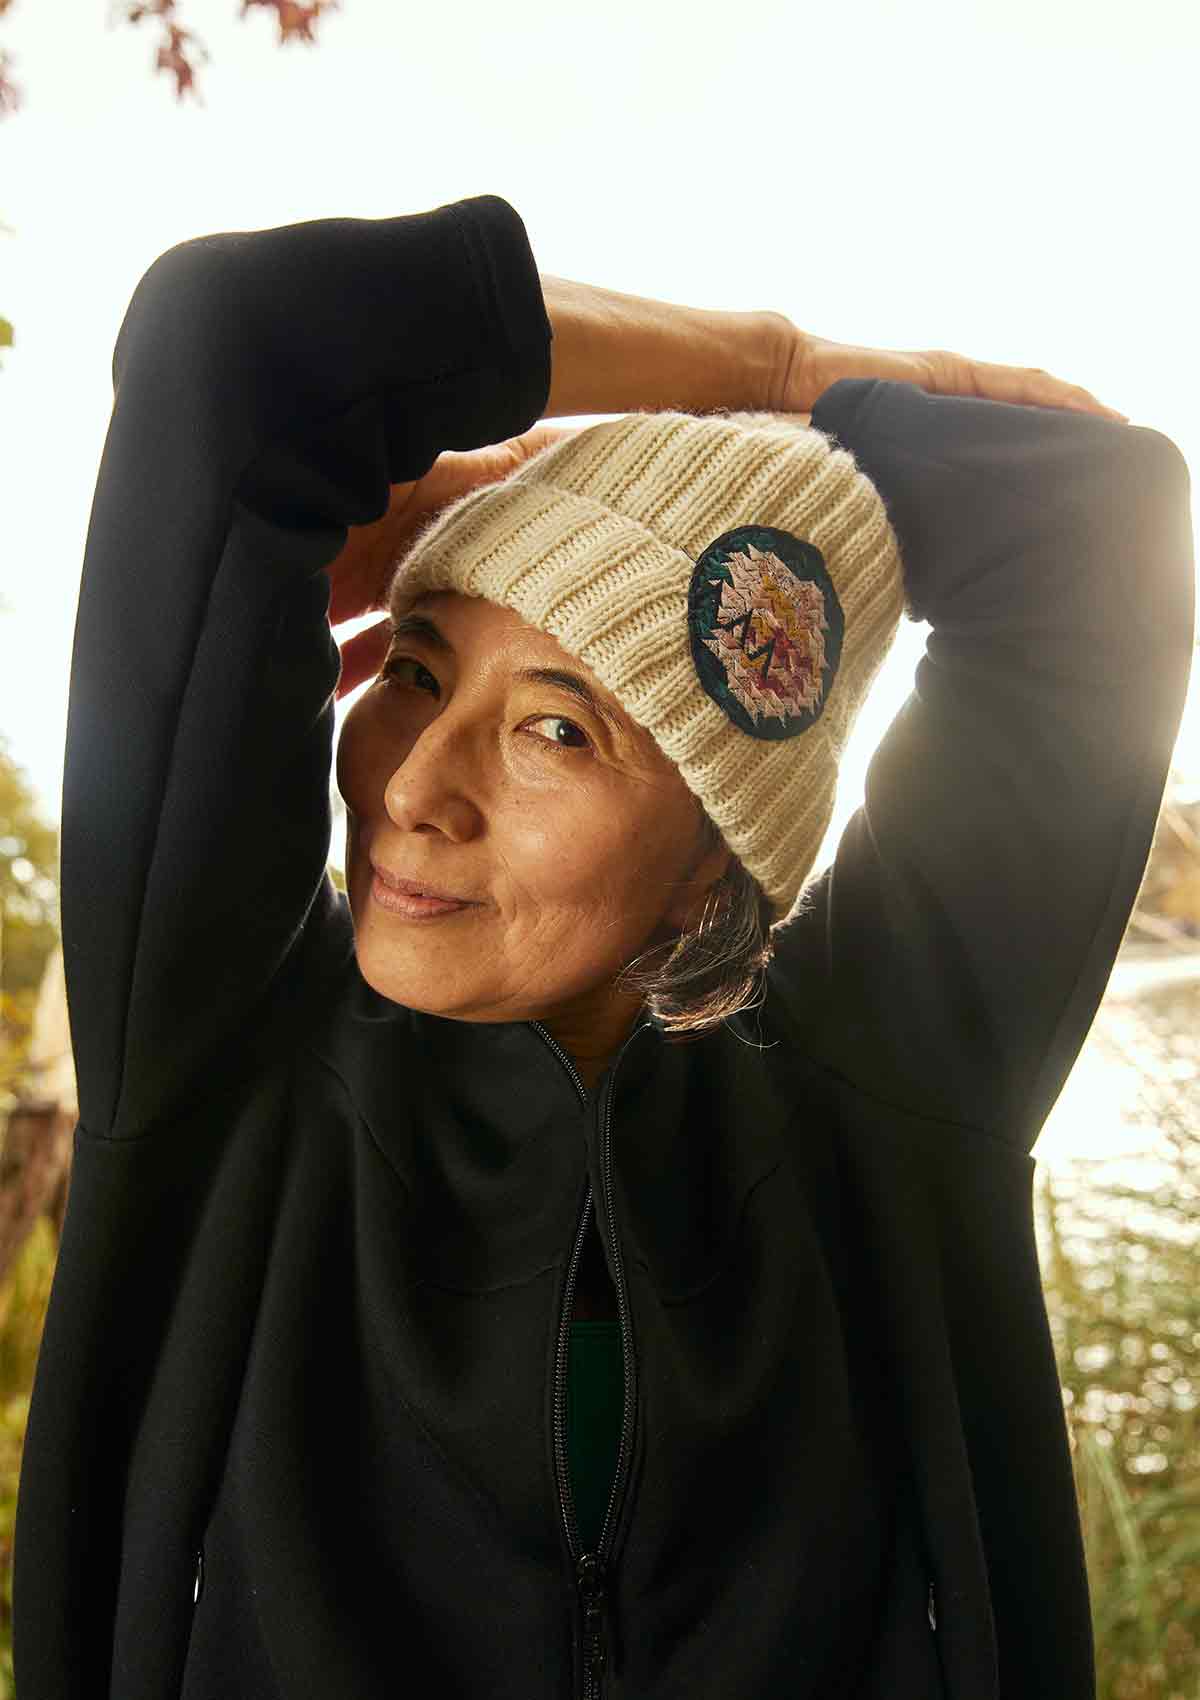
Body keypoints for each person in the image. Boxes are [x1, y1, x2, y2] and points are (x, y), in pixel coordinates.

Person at [11, 193, 1193, 1700]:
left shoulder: (888, 1080)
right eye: (419, 670)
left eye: (556, 728)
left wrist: (767, 476)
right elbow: (235, 346)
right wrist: (769, 369)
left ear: (716, 852)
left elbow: (1094, 519)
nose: (414, 788)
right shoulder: (216, 1043)